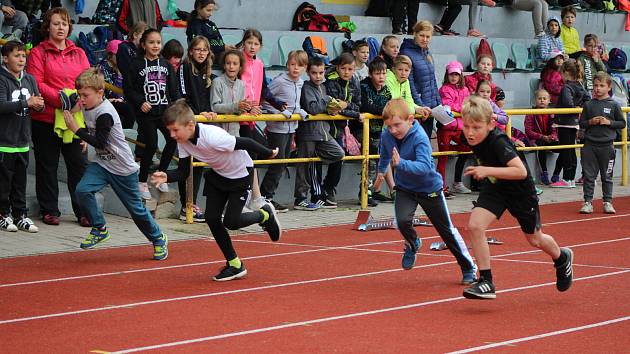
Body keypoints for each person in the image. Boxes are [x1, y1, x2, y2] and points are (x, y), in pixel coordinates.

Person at [151, 99, 282, 281]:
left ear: (190, 125)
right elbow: (182, 172)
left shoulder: (212, 136)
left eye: (175, 130)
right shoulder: (183, 141)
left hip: (240, 174)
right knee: (212, 218)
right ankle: (235, 264)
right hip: (219, 176)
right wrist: (167, 176)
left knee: (232, 222)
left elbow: (245, 142)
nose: (172, 135)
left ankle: (264, 215)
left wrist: (268, 151)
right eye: (169, 131)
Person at [460, 95, 574, 299]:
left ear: (491, 124)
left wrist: (486, 170)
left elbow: (520, 171)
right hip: (495, 188)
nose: (470, 132)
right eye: (466, 126)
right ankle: (486, 281)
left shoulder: (498, 141)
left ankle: (562, 257)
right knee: (475, 226)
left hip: (520, 192)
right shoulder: (472, 137)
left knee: (535, 239)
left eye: (476, 127)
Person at [63, 68, 169, 259]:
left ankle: (158, 238)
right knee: (82, 190)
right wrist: (86, 136)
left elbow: (101, 141)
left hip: (122, 168)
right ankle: (99, 228)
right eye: (80, 95)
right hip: (103, 164)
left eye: (85, 95)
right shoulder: (87, 105)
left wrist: (77, 130)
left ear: (100, 93)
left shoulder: (106, 113)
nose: (82, 99)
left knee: (136, 211)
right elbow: (92, 128)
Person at [378, 98, 477, 284]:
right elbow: (384, 155)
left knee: (446, 230)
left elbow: (424, 167)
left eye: (397, 125)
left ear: (410, 119)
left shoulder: (420, 137)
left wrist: (401, 163)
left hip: (428, 188)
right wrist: (380, 174)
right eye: (389, 126)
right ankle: (412, 242)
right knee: (402, 221)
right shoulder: (387, 135)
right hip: (405, 188)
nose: (393, 130)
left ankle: (468, 267)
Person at [26, 7, 90, 226]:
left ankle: (83, 211)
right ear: (47, 27)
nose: (61, 27)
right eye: (56, 23)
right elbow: (37, 83)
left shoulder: (79, 52)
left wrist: (77, 102)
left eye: (64, 23)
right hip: (45, 119)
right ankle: (49, 210)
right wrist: (64, 100)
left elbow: (87, 81)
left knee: (79, 166)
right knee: (47, 167)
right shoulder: (37, 52)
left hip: (74, 120)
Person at [125, 28, 181, 199]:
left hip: (163, 113)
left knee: (172, 140)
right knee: (151, 144)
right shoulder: (135, 64)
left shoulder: (165, 65)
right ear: (143, 44)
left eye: (158, 42)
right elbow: (128, 89)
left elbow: (173, 90)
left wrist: (176, 107)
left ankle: (161, 174)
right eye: (151, 42)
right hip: (146, 115)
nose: (155, 45)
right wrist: (140, 102)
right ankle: (142, 181)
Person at [239, 29, 285, 211]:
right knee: (248, 154)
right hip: (239, 115)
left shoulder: (259, 64)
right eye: (249, 43)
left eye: (256, 44)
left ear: (261, 46)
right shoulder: (238, 60)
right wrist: (246, 106)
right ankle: (249, 195)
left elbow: (264, 89)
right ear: (243, 43)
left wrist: (277, 103)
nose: (252, 46)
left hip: (252, 117)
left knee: (253, 155)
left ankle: (253, 195)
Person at [0, 41, 44, 233]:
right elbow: (1, 106)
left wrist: (39, 105)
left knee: (20, 182)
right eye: (16, 55)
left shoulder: (30, 79)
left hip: (23, 141)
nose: (21, 59)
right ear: (5, 58)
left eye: (23, 56)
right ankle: (3, 214)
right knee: (3, 183)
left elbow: (38, 101)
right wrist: (26, 102)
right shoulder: (1, 80)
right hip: (4, 142)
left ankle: (20, 215)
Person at [260, 50, 309, 212]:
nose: (295, 68)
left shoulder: (301, 83)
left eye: (300, 66)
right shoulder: (280, 81)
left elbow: (295, 103)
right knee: (277, 163)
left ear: (304, 68)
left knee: (284, 162)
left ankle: (267, 196)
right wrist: (278, 113)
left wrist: (300, 111)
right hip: (277, 129)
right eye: (292, 64)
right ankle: (265, 197)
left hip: (291, 128)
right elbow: (265, 100)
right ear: (287, 65)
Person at [294, 57, 345, 211]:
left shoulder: (323, 87)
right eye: (314, 73)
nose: (318, 76)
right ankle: (300, 198)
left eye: (321, 72)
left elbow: (324, 108)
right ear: (308, 73)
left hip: (323, 133)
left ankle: (321, 190)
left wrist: (334, 107)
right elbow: (313, 108)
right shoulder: (306, 87)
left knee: (339, 153)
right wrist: (328, 100)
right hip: (309, 134)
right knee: (304, 165)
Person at [178, 35, 218, 223]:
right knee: (187, 164)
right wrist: (198, 112)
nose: (201, 53)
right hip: (188, 121)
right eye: (198, 49)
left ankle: (191, 204)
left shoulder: (208, 72)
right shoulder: (185, 68)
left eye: (204, 50)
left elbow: (207, 99)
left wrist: (208, 112)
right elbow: (183, 96)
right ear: (191, 51)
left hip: (202, 123)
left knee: (199, 165)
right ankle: (185, 205)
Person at [578, 72, 626, 214]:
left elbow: (622, 123)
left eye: (601, 86)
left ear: (609, 87)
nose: (598, 88)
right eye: (595, 86)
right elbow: (581, 123)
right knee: (588, 176)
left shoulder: (614, 105)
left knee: (607, 175)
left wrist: (608, 122)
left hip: (607, 146)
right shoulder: (588, 104)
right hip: (590, 145)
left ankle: (607, 202)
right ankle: (587, 202)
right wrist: (590, 122)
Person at [324, 52, 365, 207]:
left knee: (339, 158)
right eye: (343, 68)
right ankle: (324, 191)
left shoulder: (354, 81)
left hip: (341, 128)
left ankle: (329, 188)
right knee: (333, 156)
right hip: (327, 127)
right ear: (337, 68)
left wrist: (347, 105)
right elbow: (334, 106)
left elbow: (356, 104)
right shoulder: (331, 81)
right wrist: (353, 112)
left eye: (350, 69)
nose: (347, 72)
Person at [360, 57, 395, 203]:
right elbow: (366, 106)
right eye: (377, 74)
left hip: (378, 132)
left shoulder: (386, 91)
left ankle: (371, 191)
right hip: (363, 130)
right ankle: (364, 194)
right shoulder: (364, 87)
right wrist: (381, 110)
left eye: (383, 74)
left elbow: (389, 108)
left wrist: (382, 111)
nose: (381, 77)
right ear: (370, 74)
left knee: (377, 162)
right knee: (369, 163)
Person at [549, 59, 588, 188]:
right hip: (573, 122)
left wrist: (575, 107)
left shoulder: (567, 86)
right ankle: (570, 178)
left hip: (565, 122)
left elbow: (567, 103)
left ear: (566, 72)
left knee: (567, 150)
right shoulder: (580, 85)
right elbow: (587, 98)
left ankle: (567, 178)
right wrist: (579, 106)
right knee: (571, 150)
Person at [400, 20, 441, 138]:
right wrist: (420, 106)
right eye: (421, 35)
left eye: (428, 36)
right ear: (415, 34)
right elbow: (409, 83)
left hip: (430, 107)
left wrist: (439, 104)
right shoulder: (406, 53)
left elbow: (433, 81)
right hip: (418, 109)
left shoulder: (427, 52)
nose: (425, 39)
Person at [438, 60, 471, 198]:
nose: (454, 77)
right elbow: (448, 104)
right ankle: (440, 187)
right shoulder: (444, 89)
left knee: (468, 148)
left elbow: (468, 104)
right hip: (446, 128)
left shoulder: (465, 90)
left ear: (461, 75)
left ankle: (457, 183)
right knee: (443, 158)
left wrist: (463, 109)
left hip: (460, 129)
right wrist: (462, 108)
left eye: (456, 74)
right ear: (447, 74)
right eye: (451, 74)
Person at [524, 89, 559, 185]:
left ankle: (556, 174)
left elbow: (555, 129)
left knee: (565, 148)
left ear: (549, 101)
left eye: (544, 98)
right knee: (541, 146)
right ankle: (544, 173)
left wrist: (552, 137)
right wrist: (542, 137)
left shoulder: (551, 113)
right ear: (535, 100)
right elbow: (528, 131)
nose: (542, 100)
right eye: (540, 98)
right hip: (537, 139)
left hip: (549, 139)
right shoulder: (531, 113)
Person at [210, 49, 247, 138]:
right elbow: (214, 107)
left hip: (235, 134)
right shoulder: (217, 82)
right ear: (224, 65)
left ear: (240, 67)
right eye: (228, 63)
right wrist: (236, 106)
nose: (231, 66)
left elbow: (239, 110)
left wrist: (247, 108)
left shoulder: (241, 84)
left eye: (235, 64)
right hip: (219, 134)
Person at [385, 55, 432, 121]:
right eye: (400, 69)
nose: (403, 73)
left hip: (400, 121)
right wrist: (415, 110)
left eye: (406, 70)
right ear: (393, 69)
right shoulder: (388, 79)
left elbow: (409, 101)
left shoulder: (406, 81)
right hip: (388, 123)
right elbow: (394, 103)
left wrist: (419, 108)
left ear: (410, 71)